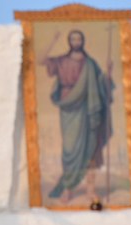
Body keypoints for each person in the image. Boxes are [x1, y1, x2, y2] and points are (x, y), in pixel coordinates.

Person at [38, 29, 113, 204]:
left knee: (90, 147)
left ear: (83, 41)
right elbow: (40, 60)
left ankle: (90, 189)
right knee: (70, 149)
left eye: (79, 38)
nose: (76, 41)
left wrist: (108, 73)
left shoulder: (90, 63)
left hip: (88, 107)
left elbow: (100, 84)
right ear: (69, 41)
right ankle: (68, 188)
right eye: (73, 38)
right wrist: (53, 39)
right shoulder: (62, 60)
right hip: (69, 106)